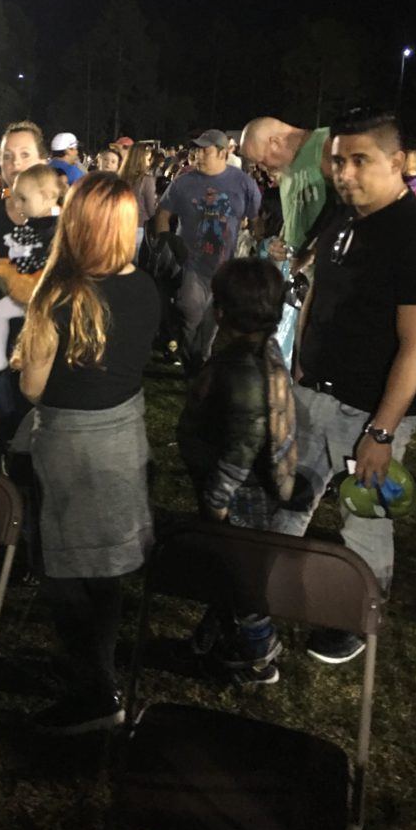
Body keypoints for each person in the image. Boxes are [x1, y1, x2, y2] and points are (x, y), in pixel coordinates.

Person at [271, 107, 416, 663]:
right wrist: (298, 366)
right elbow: (316, 293)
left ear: (399, 162)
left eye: (360, 160)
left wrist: (381, 432)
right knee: (287, 499)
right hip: (314, 394)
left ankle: (359, 618)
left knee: (365, 519)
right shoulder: (340, 218)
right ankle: (261, 601)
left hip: (371, 412)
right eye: (337, 161)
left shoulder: (412, 235)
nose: (346, 172)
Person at [13, 173, 160, 734]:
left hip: (74, 446)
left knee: (67, 571)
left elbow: (32, 388)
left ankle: (94, 692)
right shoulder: (145, 288)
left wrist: (26, 358)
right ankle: (97, 673)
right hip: (123, 437)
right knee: (106, 569)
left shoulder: (59, 294)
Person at [177, 258, 296, 684]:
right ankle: (214, 632)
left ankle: (260, 654)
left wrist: (217, 499)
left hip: (240, 494)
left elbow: (243, 446)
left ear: (222, 311)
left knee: (239, 574)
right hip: (238, 488)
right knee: (228, 567)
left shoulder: (244, 369)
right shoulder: (253, 350)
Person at [155, 129, 261, 374]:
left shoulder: (244, 183)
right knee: (190, 311)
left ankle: (199, 359)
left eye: (206, 150)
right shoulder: (184, 182)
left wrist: (257, 241)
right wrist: (168, 239)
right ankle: (189, 351)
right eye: (197, 150)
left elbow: (255, 219)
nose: (198, 155)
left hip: (225, 266)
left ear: (223, 153)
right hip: (191, 263)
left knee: (213, 321)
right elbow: (162, 214)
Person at [0, 164, 61, 384]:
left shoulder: (53, 225)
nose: (18, 205)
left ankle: (6, 359)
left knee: (11, 317)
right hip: (33, 294)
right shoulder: (39, 222)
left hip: (41, 296)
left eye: (24, 199)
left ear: (44, 196)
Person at [239, 116, 333, 256]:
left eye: (261, 161)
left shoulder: (326, 144)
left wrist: (312, 253)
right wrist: (283, 240)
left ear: (275, 143)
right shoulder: (285, 167)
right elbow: (298, 211)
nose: (262, 168)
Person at [120, 142, 157, 261]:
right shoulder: (146, 180)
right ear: (141, 159)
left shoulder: (119, 178)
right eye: (148, 158)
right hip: (140, 229)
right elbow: (151, 210)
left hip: (121, 228)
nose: (149, 162)